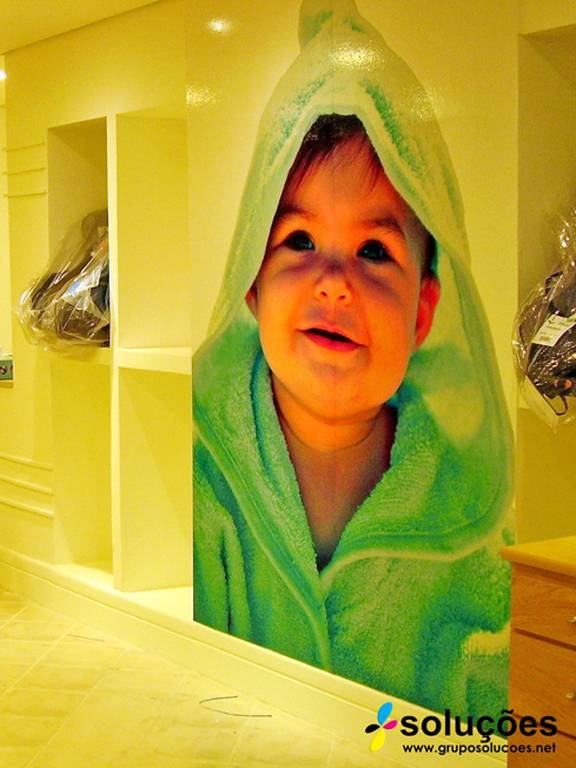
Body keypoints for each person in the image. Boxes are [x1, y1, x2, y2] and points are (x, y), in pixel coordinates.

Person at [193, 0, 514, 719]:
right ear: (251, 280)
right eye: (300, 241)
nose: (333, 283)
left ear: (423, 310)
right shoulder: (201, 474)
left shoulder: (466, 509)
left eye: (374, 250)